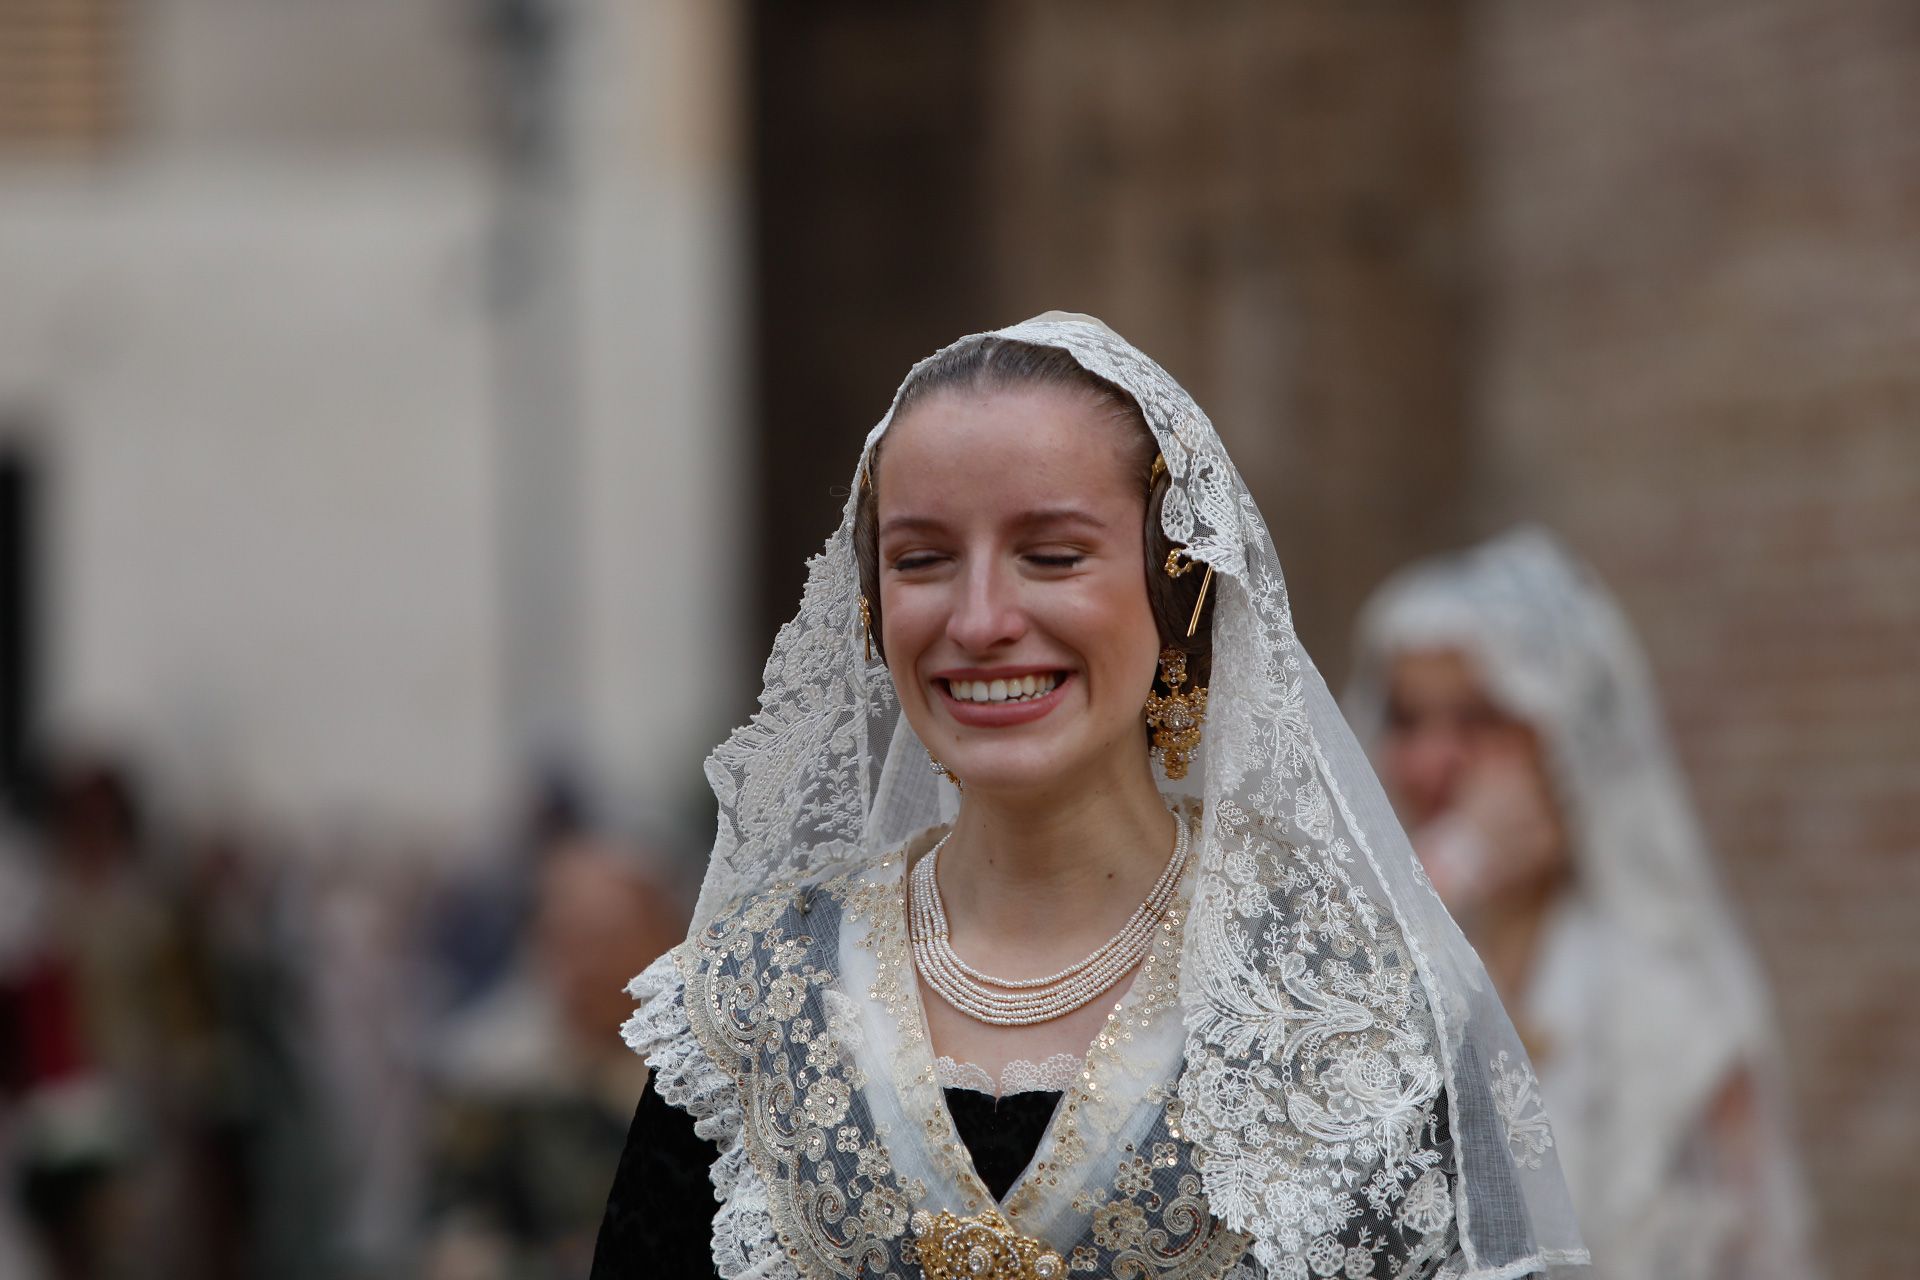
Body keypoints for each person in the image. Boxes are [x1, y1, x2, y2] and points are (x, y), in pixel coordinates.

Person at [593, 315, 1586, 1279]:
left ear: (1176, 586)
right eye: (922, 559)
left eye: (1053, 554)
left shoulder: (1355, 1011)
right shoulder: (753, 1007)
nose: (980, 620)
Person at [1345, 529, 1819, 1280]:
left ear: (1562, 736)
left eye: (1478, 720)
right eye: (1407, 721)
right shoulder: (1374, 956)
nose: (1431, 764)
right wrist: (1446, 875)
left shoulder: (1671, 1003)